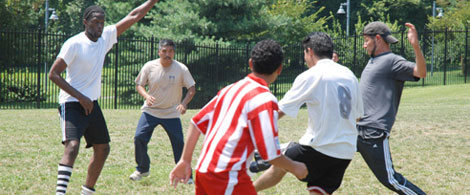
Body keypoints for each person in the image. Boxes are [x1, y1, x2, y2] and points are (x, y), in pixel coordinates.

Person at [169, 39, 308, 195]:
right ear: (280, 69)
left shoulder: (230, 89)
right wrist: (295, 167)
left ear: (250, 64)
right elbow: (269, 153)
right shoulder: (264, 99)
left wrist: (185, 160)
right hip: (227, 175)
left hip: (204, 170)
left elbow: (196, 122)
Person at [48, 1, 159, 194]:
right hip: (71, 103)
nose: (100, 26)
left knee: (102, 148)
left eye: (102, 22)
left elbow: (133, 16)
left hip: (91, 104)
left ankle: (87, 191)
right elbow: (53, 74)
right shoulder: (74, 44)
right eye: (95, 22)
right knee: (72, 147)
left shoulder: (105, 38)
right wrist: (81, 97)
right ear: (85, 22)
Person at [253, 32, 364, 195]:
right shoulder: (350, 75)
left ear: (310, 51)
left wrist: (253, 129)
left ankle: (243, 190)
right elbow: (358, 116)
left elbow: (279, 110)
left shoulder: (311, 75)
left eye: (305, 54)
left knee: (281, 162)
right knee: (317, 190)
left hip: (319, 149)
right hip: (345, 152)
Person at [357, 21, 426, 194]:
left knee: (390, 179)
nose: (364, 45)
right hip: (356, 129)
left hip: (373, 131)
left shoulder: (392, 61)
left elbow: (420, 72)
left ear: (377, 39)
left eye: (366, 40)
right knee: (328, 162)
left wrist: (416, 47)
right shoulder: (373, 60)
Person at [129, 39, 196, 181]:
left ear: (174, 52)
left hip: (171, 113)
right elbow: (139, 84)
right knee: (139, 137)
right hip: (150, 111)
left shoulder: (181, 68)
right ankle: (142, 169)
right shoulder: (149, 66)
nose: (167, 54)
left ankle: (186, 175)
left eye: (170, 51)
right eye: (164, 51)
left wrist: (183, 104)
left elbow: (191, 88)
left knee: (179, 143)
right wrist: (146, 96)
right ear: (159, 52)